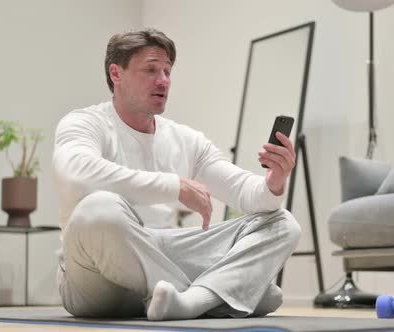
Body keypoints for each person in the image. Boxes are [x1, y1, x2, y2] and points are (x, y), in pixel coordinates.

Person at [52, 28, 301, 321]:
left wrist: (274, 182)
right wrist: (174, 186)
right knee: (98, 210)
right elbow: (78, 173)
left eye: (168, 71)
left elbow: (249, 194)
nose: (163, 81)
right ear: (116, 73)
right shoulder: (84, 123)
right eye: (151, 70)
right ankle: (218, 295)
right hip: (94, 279)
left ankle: (190, 301)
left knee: (283, 223)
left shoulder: (186, 139)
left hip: (163, 259)